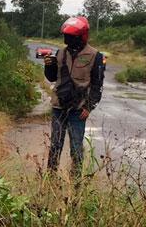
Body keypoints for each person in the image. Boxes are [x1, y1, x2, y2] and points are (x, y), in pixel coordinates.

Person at [43, 16, 105, 177]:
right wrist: (48, 67)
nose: (67, 40)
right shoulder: (60, 53)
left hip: (78, 110)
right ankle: (50, 178)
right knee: (55, 145)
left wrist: (89, 106)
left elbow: (97, 85)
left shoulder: (95, 56)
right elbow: (52, 78)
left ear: (81, 36)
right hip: (59, 107)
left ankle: (76, 183)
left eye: (70, 37)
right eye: (66, 36)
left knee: (76, 148)